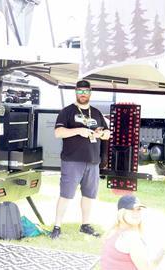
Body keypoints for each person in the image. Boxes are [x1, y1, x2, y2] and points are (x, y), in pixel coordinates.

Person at [50, 80, 110, 239]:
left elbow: (107, 133)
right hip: (72, 161)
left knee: (89, 195)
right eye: (80, 91)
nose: (83, 94)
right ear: (75, 92)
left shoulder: (97, 113)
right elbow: (58, 132)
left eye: (86, 91)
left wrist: (100, 134)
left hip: (93, 161)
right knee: (66, 195)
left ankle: (85, 225)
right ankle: (57, 226)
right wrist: (79, 131)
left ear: (90, 92)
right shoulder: (67, 111)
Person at [100, 195, 165, 269]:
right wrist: (162, 254)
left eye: (139, 209)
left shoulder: (113, 230)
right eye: (131, 209)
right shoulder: (131, 238)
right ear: (122, 212)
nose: (136, 213)